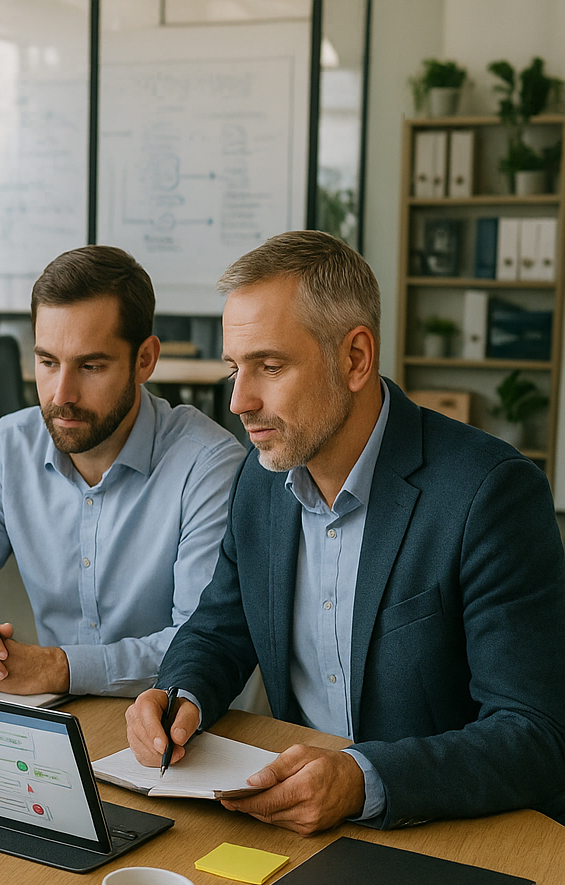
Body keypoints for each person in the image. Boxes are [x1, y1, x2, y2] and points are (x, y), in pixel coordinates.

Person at [127, 229, 565, 833]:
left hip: (450, 835)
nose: (240, 400)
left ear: (355, 358)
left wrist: (361, 780)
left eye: (270, 366)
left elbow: (535, 735)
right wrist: (178, 696)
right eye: (235, 368)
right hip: (295, 826)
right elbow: (222, 629)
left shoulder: (489, 494)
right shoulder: (260, 480)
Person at [0, 246, 244, 699]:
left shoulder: (207, 465)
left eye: (91, 366)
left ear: (145, 360)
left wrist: (57, 667)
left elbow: (201, 647)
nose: (62, 395)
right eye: (47, 362)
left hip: (172, 727)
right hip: (53, 718)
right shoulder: (11, 446)